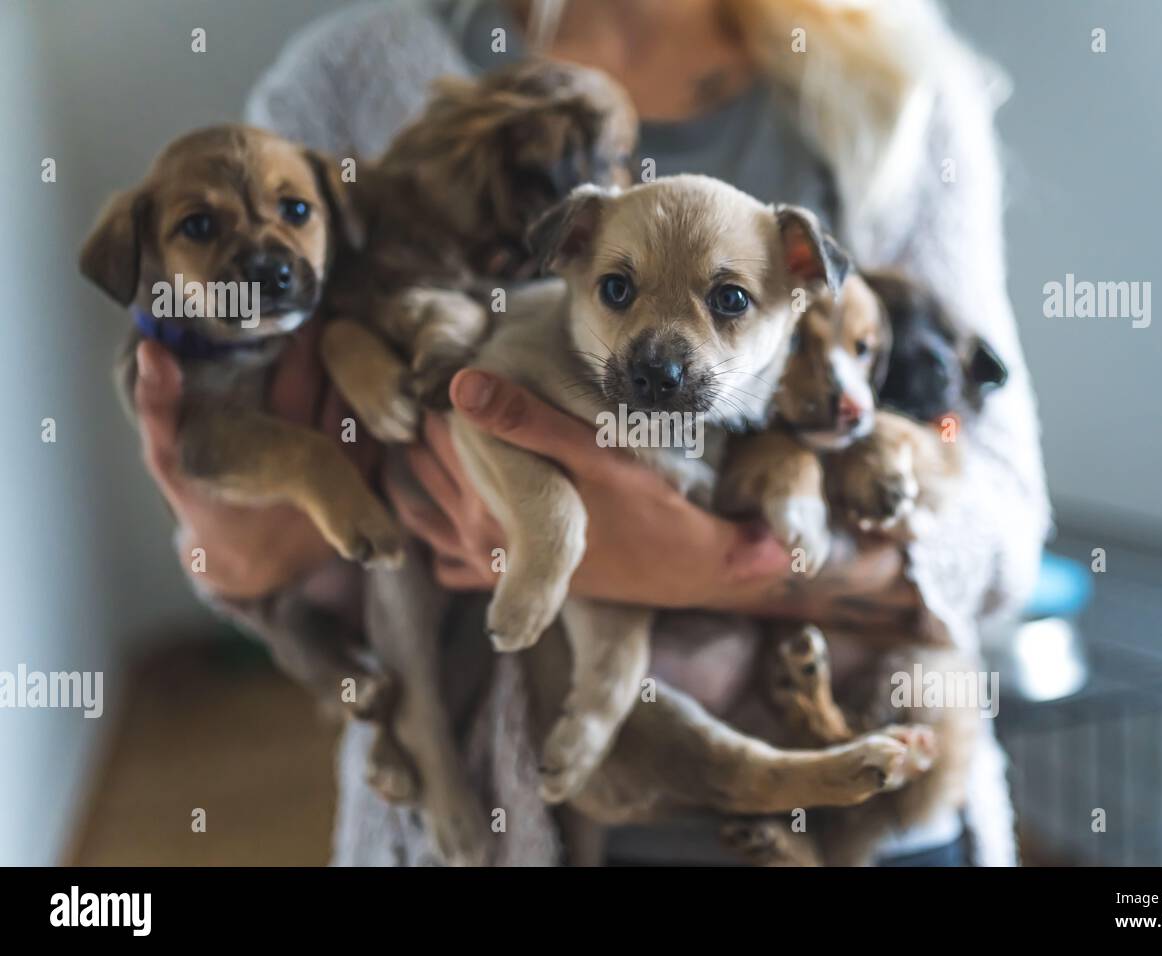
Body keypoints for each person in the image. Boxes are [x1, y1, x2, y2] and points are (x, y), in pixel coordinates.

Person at [132, 0, 1049, 865]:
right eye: (617, 288)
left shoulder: (892, 75)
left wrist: (713, 563)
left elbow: (1005, 519)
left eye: (730, 301)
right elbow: (259, 548)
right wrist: (253, 541)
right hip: (498, 822)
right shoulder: (350, 75)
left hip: (874, 805)